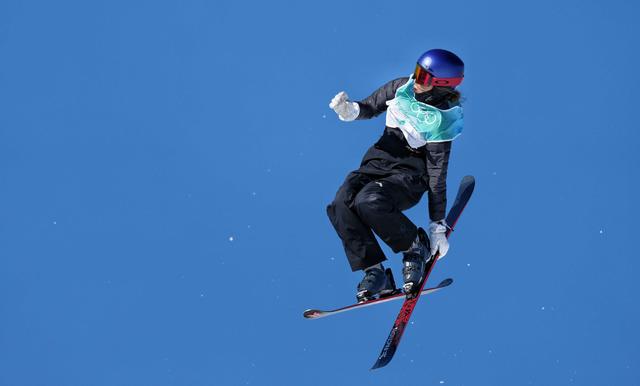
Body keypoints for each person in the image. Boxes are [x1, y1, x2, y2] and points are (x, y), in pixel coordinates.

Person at [326, 49, 465, 302]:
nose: (417, 79)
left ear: (441, 86)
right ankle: (375, 272)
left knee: (369, 201)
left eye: (425, 76)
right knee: (341, 202)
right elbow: (370, 106)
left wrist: (437, 224)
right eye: (418, 71)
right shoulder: (402, 87)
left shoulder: (441, 120)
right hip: (376, 162)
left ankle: (414, 247)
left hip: (408, 175)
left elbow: (436, 174)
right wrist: (351, 110)